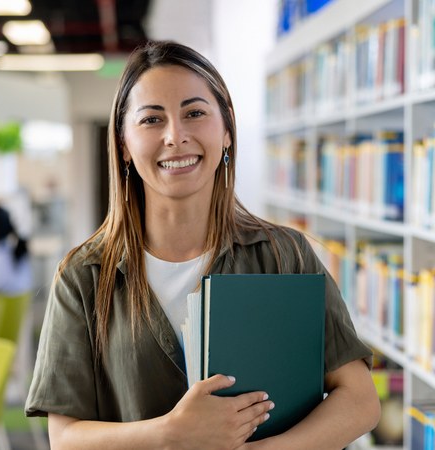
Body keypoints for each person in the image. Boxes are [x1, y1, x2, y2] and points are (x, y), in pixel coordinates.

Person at [25, 41, 381, 449]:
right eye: (151, 120)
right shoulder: (84, 276)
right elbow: (65, 437)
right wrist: (171, 433)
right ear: (123, 144)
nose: (176, 136)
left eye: (194, 113)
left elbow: (360, 400)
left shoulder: (285, 255)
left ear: (227, 131)